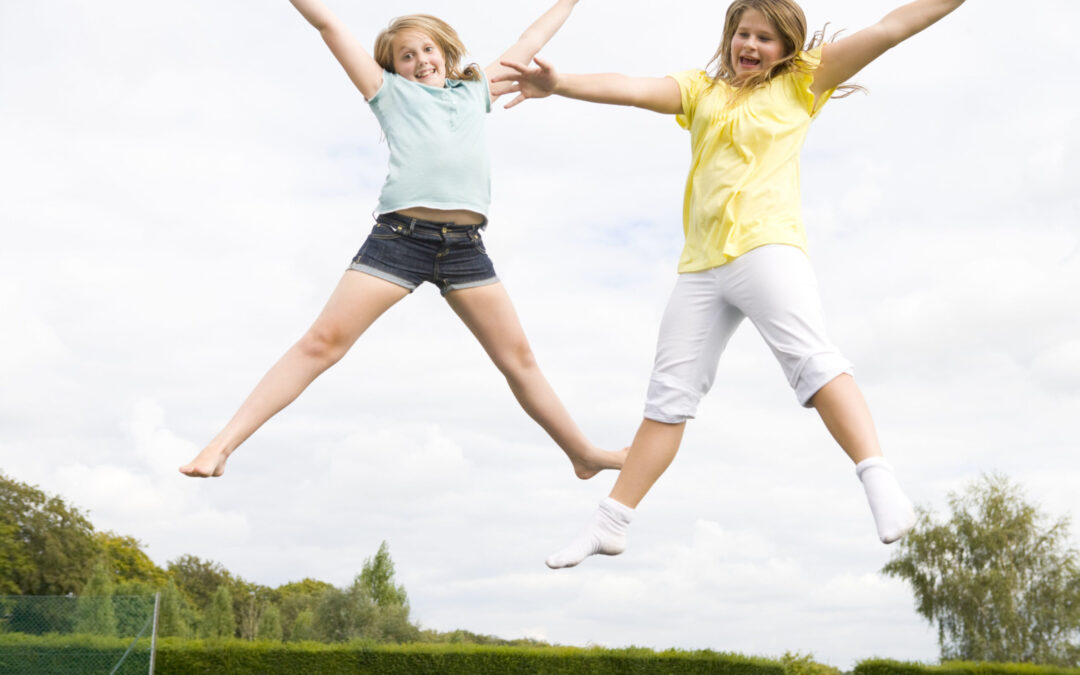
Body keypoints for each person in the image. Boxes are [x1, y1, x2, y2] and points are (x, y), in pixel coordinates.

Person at [494, 0, 967, 568]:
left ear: (787, 47)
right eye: (742, 33)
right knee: (668, 399)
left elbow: (894, 26)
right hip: (700, 266)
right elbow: (632, 87)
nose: (750, 44)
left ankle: (878, 480)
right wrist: (561, 82)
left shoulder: (803, 81)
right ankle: (611, 522)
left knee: (814, 364)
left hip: (766, 247)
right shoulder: (700, 91)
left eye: (765, 38)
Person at [180, 0, 626, 480]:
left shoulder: (473, 91)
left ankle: (583, 454)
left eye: (427, 49)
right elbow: (328, 23)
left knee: (518, 360)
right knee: (321, 343)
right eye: (406, 56)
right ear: (391, 68)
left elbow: (531, 40)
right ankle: (221, 446)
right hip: (399, 240)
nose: (420, 61)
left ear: (446, 53)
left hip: (465, 248)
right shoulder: (387, 92)